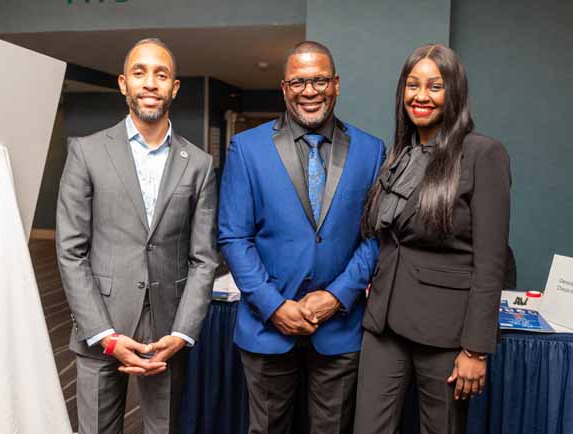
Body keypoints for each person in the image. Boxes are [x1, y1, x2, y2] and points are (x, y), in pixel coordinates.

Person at [218, 41, 385, 434]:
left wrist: (336, 296)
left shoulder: (371, 150)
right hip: (266, 326)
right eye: (298, 82)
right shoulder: (247, 148)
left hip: (340, 328)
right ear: (284, 88)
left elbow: (376, 237)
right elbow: (233, 237)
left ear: (336, 84)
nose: (309, 91)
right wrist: (274, 306)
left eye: (319, 80)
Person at [56, 38, 218, 434]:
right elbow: (70, 252)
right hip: (101, 328)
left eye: (161, 75)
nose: (150, 83)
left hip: (167, 333)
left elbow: (204, 258)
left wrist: (181, 334)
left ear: (174, 88)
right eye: (139, 73)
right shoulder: (87, 152)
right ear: (123, 83)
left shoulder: (199, 164)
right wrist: (104, 335)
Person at [354, 44, 511, 434]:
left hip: (446, 332)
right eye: (412, 85)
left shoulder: (482, 154)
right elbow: (390, 239)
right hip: (383, 325)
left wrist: (476, 348)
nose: (420, 96)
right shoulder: (399, 154)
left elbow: (491, 263)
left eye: (434, 86)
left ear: (453, 92)